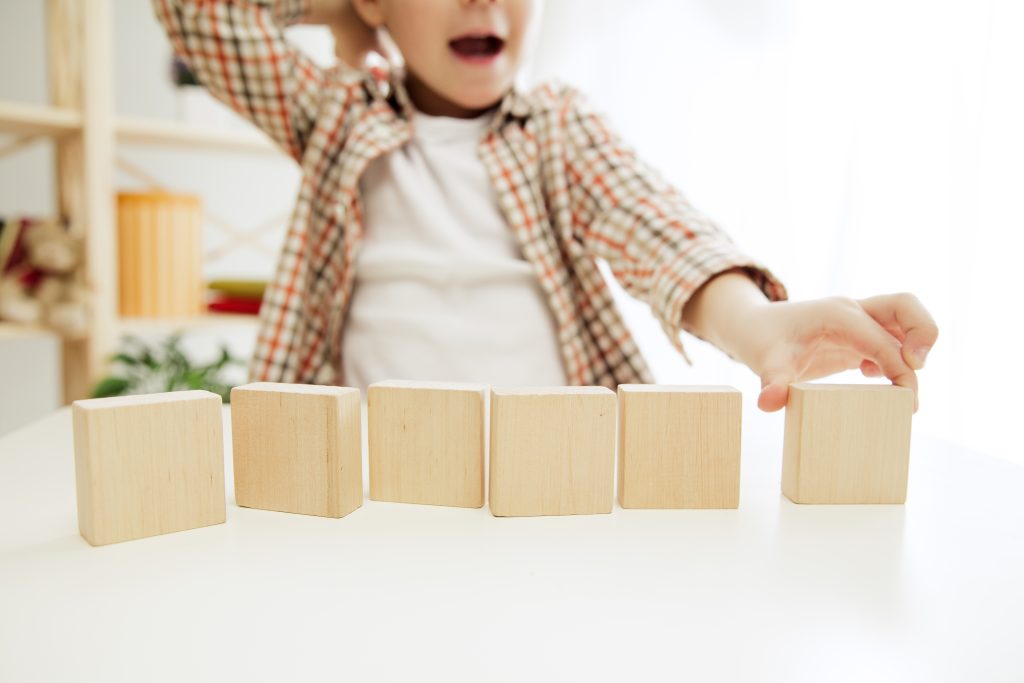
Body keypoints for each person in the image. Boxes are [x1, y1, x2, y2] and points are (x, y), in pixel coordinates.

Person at [152, 0, 938, 411]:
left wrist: (757, 324)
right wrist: (345, 10)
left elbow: (657, 230)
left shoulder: (558, 127)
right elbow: (197, 8)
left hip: (548, 477)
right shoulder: (335, 112)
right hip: (365, 483)